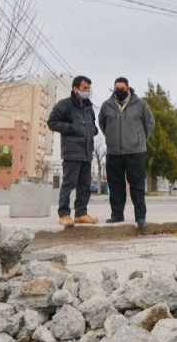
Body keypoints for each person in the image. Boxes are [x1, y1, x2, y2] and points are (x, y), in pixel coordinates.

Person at [98, 77, 155, 230]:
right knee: (115, 185)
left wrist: (140, 140)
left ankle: (140, 217)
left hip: (135, 152)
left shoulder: (140, 104)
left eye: (122, 89)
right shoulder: (106, 105)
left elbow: (150, 123)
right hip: (113, 152)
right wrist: (111, 137)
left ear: (128, 89)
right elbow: (102, 124)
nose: (119, 91)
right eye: (116, 89)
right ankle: (117, 214)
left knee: (137, 185)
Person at [47, 75, 98, 227]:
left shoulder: (89, 108)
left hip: (87, 152)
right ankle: (64, 214)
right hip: (72, 152)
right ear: (75, 89)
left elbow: (93, 125)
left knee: (85, 185)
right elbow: (52, 122)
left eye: (89, 88)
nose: (87, 91)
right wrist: (72, 128)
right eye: (85, 88)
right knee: (69, 184)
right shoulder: (64, 105)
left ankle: (81, 213)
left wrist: (93, 131)